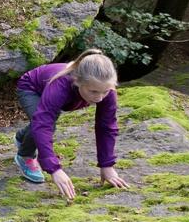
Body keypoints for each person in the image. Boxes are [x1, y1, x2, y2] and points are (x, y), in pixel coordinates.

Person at [13, 48, 128, 199]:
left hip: (55, 97)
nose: (100, 98)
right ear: (77, 82)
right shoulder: (61, 85)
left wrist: (107, 165)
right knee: (44, 123)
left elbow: (106, 126)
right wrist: (54, 169)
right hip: (32, 88)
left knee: (40, 121)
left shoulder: (106, 90)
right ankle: (25, 155)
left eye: (105, 91)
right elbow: (43, 124)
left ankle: (22, 137)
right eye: (93, 92)